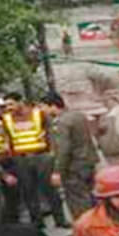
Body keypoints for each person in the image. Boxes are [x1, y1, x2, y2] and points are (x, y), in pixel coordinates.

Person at [2, 92, 70, 229]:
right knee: (28, 191)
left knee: (49, 189)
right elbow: (7, 137)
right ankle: (37, 222)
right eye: (6, 105)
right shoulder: (6, 119)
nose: (8, 107)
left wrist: (51, 152)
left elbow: (50, 131)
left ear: (20, 101)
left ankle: (60, 220)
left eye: (11, 104)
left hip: (41, 156)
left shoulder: (38, 114)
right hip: (21, 159)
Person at [40, 92, 98, 222]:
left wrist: (57, 171)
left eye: (44, 107)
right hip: (87, 162)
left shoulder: (61, 123)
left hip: (73, 167)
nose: (43, 111)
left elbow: (63, 150)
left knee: (78, 201)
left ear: (53, 106)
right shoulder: (77, 115)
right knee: (91, 195)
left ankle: (85, 228)